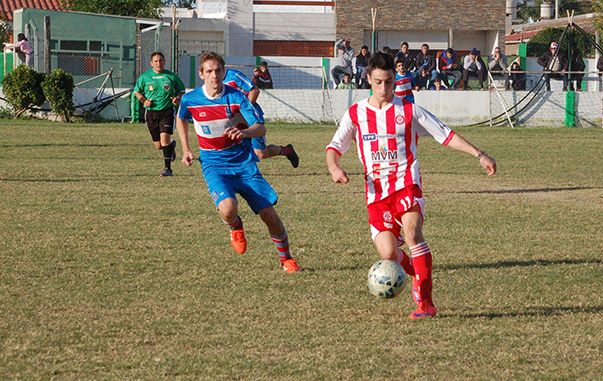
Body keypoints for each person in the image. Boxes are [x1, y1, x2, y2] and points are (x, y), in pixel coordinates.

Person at [326, 51, 496, 319]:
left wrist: (479, 154)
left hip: (406, 185)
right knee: (389, 254)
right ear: (368, 78)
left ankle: (426, 301)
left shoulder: (408, 110)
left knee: (412, 233)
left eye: (390, 82)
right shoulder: (356, 113)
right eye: (379, 82)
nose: (385, 88)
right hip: (376, 194)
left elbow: (446, 135)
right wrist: (334, 167)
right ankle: (418, 271)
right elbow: (334, 146)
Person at [176, 52, 301, 273]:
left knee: (269, 215)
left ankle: (287, 259)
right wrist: (186, 149)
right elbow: (181, 117)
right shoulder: (190, 99)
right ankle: (235, 225)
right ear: (201, 74)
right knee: (228, 209)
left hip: (244, 164)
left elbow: (260, 128)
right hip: (214, 164)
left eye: (218, 70)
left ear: (224, 72)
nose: (214, 75)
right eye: (209, 71)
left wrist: (244, 133)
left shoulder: (236, 97)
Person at [224, 67, 299, 167]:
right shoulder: (214, 83)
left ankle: (287, 150)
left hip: (251, 118)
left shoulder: (233, 75)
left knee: (261, 153)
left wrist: (245, 111)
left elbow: (255, 90)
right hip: (234, 120)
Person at [133, 52, 185, 177]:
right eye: (156, 61)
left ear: (164, 61)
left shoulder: (171, 76)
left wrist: (177, 99)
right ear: (151, 63)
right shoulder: (145, 77)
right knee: (159, 145)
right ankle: (171, 147)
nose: (158, 63)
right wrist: (144, 101)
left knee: (164, 140)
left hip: (167, 111)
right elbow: (137, 92)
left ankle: (168, 169)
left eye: (161, 60)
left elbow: (182, 90)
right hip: (151, 113)